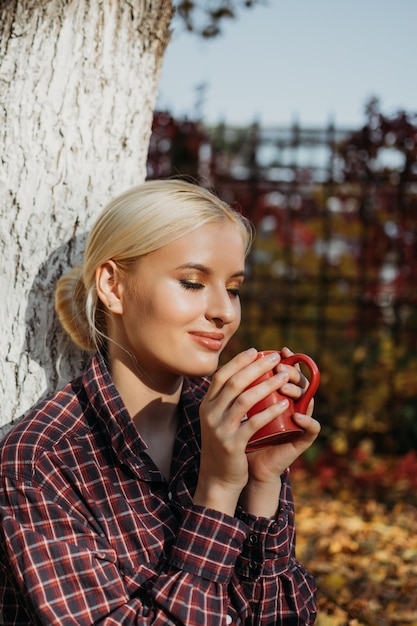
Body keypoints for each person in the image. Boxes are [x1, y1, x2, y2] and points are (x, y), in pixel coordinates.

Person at [0, 179, 320, 625]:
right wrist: (218, 491)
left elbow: (283, 619)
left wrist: (263, 481)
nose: (225, 312)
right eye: (192, 282)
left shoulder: (231, 427)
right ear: (112, 285)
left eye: (233, 288)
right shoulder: (43, 460)